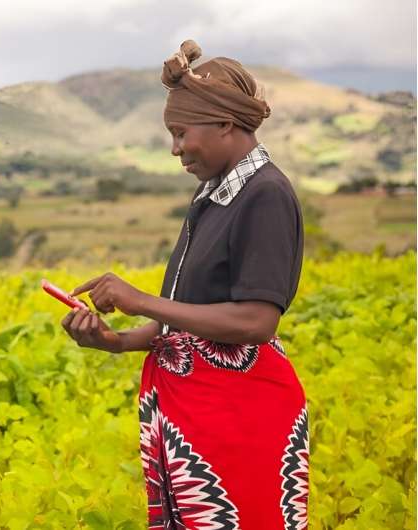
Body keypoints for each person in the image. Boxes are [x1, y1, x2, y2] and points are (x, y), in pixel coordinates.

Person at [61, 40, 308, 529]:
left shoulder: (266, 195)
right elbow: (189, 314)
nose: (175, 149)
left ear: (224, 124)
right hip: (199, 416)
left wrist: (139, 300)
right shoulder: (211, 193)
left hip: (240, 416)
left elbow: (257, 321)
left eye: (180, 133)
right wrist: (117, 342)